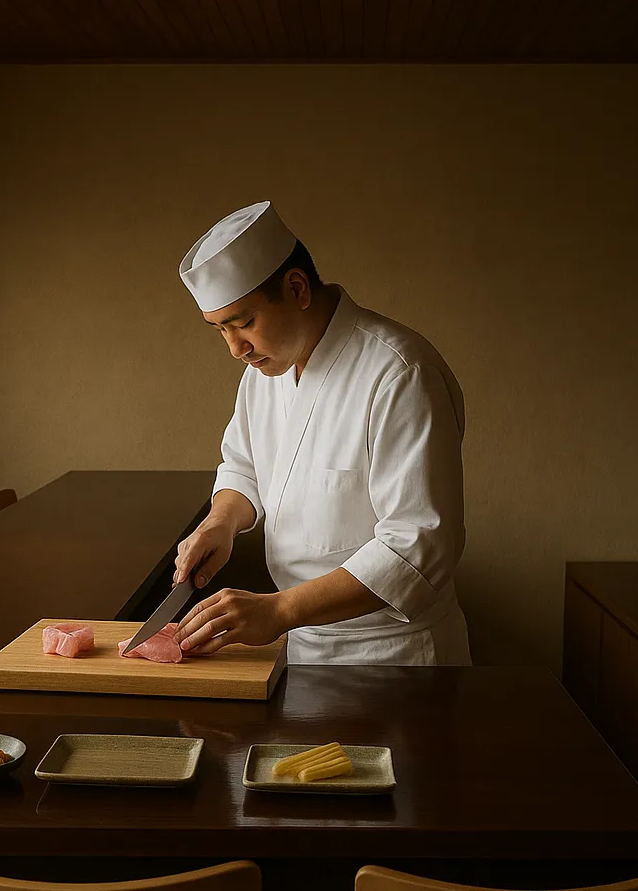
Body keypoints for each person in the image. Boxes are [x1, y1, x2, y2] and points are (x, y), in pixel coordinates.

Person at [172, 201, 470, 666]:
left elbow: (418, 546)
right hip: (302, 645)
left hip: (395, 657)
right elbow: (244, 466)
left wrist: (279, 609)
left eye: (245, 322)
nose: (236, 349)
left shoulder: (399, 373)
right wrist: (221, 522)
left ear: (296, 288)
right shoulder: (265, 371)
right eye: (220, 330)